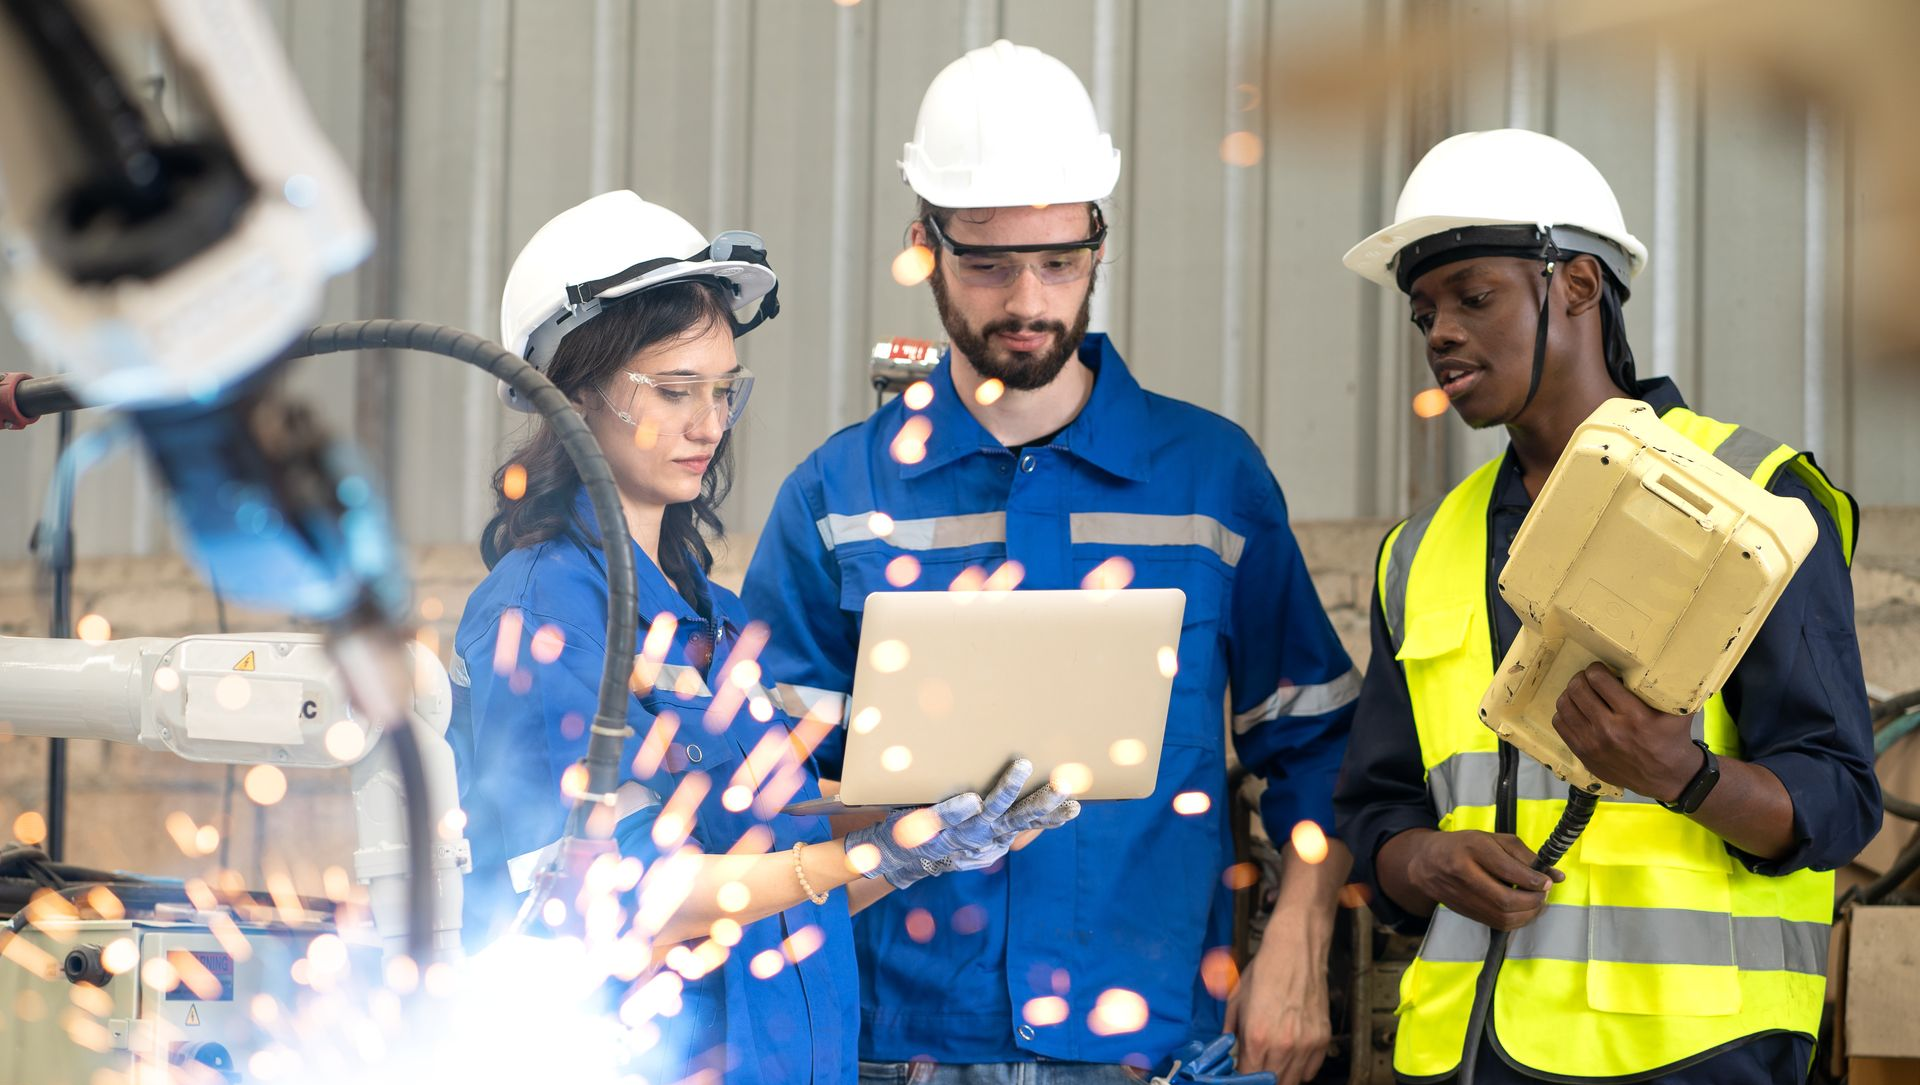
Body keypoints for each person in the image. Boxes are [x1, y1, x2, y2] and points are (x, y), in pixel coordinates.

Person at [742, 41, 1358, 1085]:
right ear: (923, 246)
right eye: (986, 263)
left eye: (1058, 261)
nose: (1027, 299)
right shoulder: (838, 500)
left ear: (1099, 245)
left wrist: (1296, 936)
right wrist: (889, 820)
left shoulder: (1210, 481)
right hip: (903, 1048)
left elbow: (1317, 740)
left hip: (1150, 1048)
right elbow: (756, 791)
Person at [447, 190, 1079, 1084]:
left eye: (721, 390)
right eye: (673, 391)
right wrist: (871, 847)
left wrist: (925, 830)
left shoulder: (717, 615)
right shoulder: (544, 610)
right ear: (569, 392)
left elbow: (779, 862)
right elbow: (619, 892)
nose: (708, 424)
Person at [1332, 129, 1882, 1083]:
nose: (1442, 335)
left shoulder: (1752, 499)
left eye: (1474, 297)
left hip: (1689, 1054)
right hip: (1461, 1054)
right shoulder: (1417, 551)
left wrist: (1685, 774)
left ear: (1578, 284)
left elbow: (1838, 800)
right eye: (1424, 314)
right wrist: (1423, 863)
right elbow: (1378, 812)